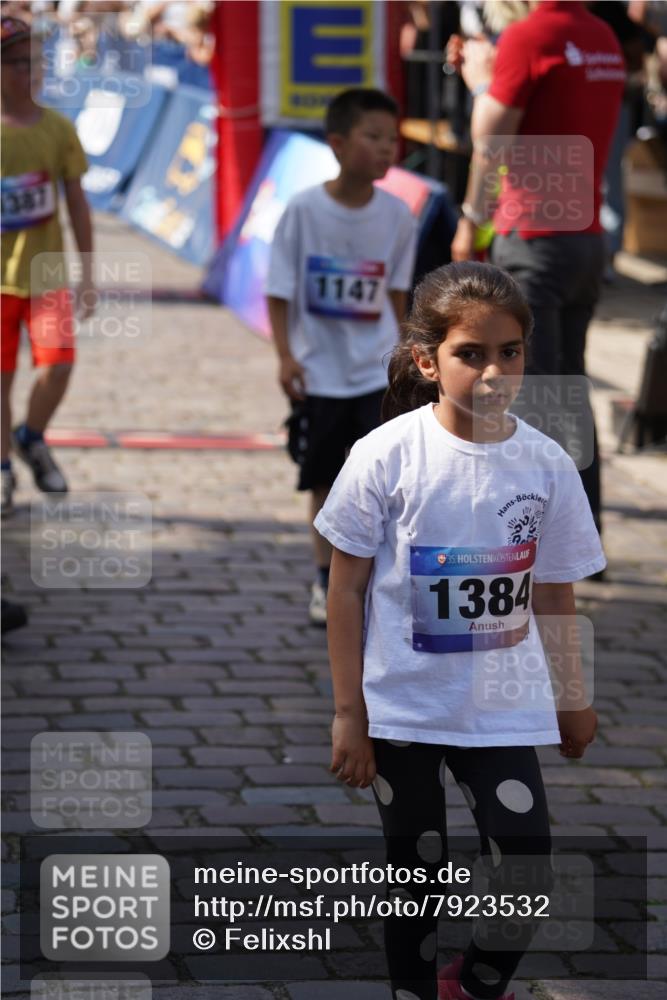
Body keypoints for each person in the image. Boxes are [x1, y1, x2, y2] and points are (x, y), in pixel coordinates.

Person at [315, 262, 604, 1000]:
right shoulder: (385, 455)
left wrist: (570, 698)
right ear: (427, 359)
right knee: (416, 874)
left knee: (527, 857)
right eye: (469, 353)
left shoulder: (544, 463)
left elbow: (554, 591)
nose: (492, 370)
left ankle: (473, 984)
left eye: (508, 351)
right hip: (404, 707)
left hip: (500, 708)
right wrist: (350, 714)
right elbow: (344, 588)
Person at [450, 0, 625, 536]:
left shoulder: (530, 38)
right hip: (583, 237)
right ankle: (579, 532)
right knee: (566, 388)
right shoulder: (601, 36)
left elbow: (491, 142)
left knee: (534, 395)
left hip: (534, 237)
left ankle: (547, 542)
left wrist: (482, 82)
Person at [266, 87, 417, 625]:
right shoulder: (304, 210)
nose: (385, 149)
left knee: (384, 483)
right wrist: (286, 356)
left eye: (391, 140)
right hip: (322, 372)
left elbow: (399, 294)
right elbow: (279, 289)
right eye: (372, 137)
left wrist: (407, 359)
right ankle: (325, 578)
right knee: (326, 480)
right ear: (336, 142)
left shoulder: (400, 215)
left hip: (375, 371)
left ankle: (379, 582)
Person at [1, 15, 94, 518]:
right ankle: (1, 470)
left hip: (46, 279)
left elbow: (77, 202)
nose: (28, 72)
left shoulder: (59, 129)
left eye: (34, 62)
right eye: (16, 63)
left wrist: (89, 270)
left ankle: (30, 435)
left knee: (57, 367)